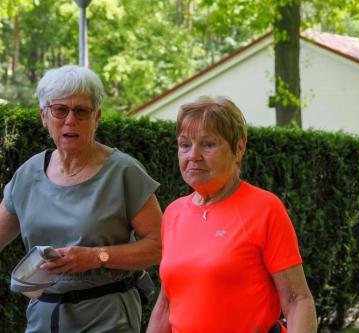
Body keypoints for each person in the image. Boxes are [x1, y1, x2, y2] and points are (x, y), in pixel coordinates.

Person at [0, 65, 162, 333]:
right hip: (45, 317)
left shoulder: (123, 171)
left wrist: (96, 256)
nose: (70, 120)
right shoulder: (28, 174)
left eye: (81, 111)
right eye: (60, 110)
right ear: (44, 116)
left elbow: (159, 246)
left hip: (108, 317)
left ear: (97, 117)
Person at [146, 96, 317, 333]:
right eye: (185, 145)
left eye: (208, 145)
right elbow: (166, 305)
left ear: (239, 148)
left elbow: (297, 300)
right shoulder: (174, 213)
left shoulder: (265, 208)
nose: (193, 156)